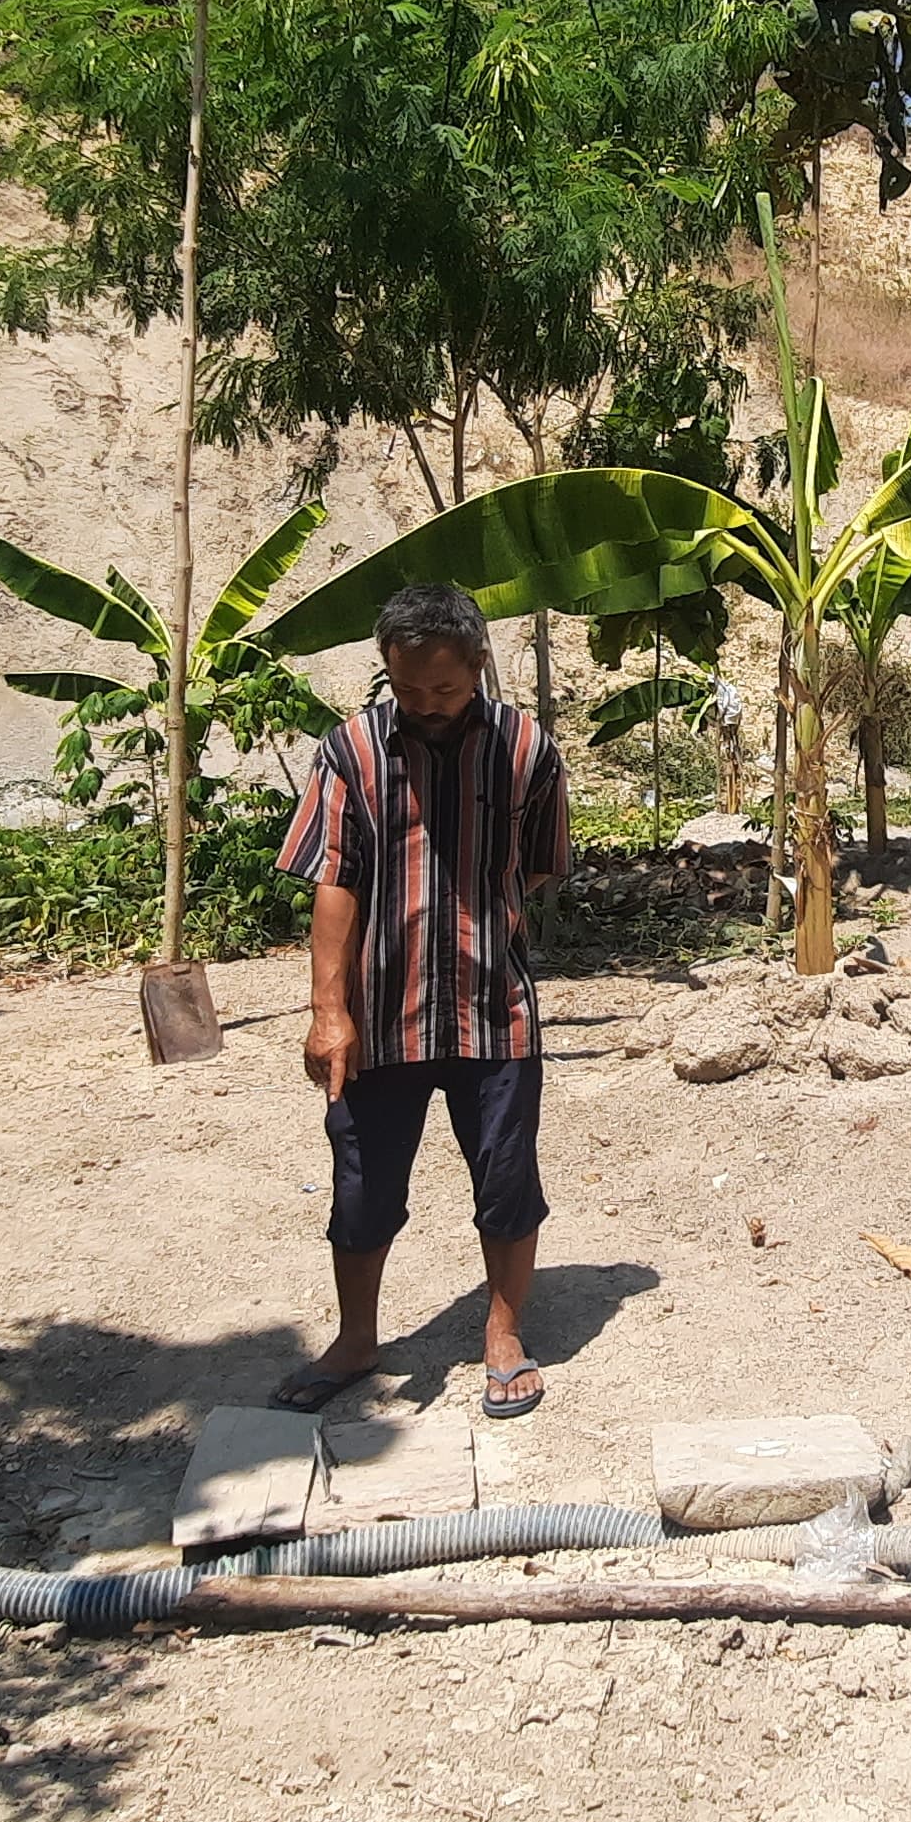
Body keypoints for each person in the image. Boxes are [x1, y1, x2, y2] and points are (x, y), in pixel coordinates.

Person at [270, 582, 570, 1419]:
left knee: (507, 1181)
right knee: (363, 1186)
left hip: (494, 1007)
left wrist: (486, 907)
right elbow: (335, 881)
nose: (426, 704)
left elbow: (542, 859)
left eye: (443, 687)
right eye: (407, 687)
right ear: (387, 671)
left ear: (478, 665)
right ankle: (356, 1339)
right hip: (380, 1018)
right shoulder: (352, 751)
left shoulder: (526, 748)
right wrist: (329, 1011)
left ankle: (503, 1338)